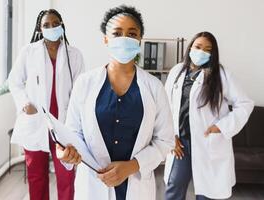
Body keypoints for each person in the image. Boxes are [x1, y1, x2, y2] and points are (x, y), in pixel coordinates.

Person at [55, 5, 174, 200]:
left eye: (132, 33)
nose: (124, 39)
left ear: (139, 40)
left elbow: (165, 140)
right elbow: (73, 133)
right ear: (105, 39)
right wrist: (67, 151)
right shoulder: (85, 83)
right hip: (93, 186)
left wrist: (132, 166)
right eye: (117, 33)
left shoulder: (154, 87)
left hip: (136, 186)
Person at [163, 31, 254, 200]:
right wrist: (170, 135)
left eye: (207, 49)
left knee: (207, 193)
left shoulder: (221, 75)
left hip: (207, 141)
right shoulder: (176, 71)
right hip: (180, 141)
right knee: (174, 186)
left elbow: (245, 104)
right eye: (198, 47)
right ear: (190, 48)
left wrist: (221, 127)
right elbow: (165, 106)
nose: (201, 52)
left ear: (213, 53)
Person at [8, 9, 84, 200]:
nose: (51, 27)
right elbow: (14, 81)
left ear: (62, 25)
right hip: (36, 122)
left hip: (63, 123)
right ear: (40, 29)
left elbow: (81, 90)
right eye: (46, 25)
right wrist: (25, 103)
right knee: (36, 175)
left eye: (55, 23)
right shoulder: (28, 52)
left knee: (67, 175)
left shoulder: (74, 55)